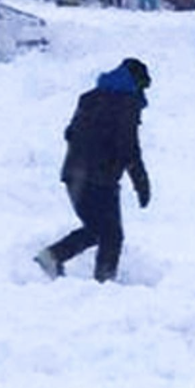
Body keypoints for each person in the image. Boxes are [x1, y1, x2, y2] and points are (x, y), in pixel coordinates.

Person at [35, 58, 152, 283]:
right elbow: (129, 148)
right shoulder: (126, 104)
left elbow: (69, 132)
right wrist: (142, 184)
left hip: (73, 176)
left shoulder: (90, 98)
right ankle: (103, 285)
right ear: (136, 82)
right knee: (111, 236)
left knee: (97, 230)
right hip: (100, 180)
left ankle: (52, 257)